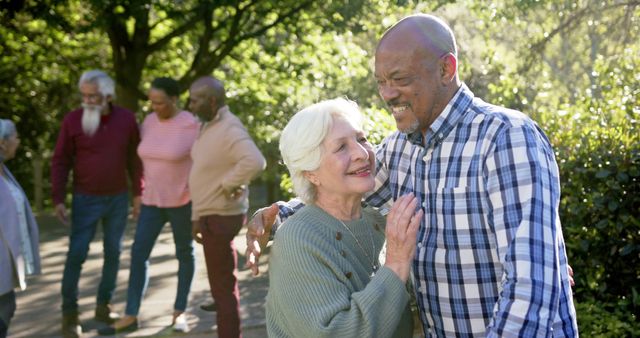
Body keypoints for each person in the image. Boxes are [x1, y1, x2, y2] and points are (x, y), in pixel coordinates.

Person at [247, 14, 579, 337]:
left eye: (400, 79)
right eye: (381, 82)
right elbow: (341, 194)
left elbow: (531, 286)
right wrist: (277, 215)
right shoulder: (400, 149)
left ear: (446, 69)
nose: (387, 93)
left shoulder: (505, 138)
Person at [266, 98, 420, 337]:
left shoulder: (378, 222)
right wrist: (397, 264)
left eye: (361, 139)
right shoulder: (297, 239)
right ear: (311, 173)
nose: (361, 153)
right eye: (341, 147)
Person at [98, 77, 199, 335]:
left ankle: (180, 313)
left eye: (160, 102)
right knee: (138, 254)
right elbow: (141, 159)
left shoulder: (191, 124)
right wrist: (138, 193)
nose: (154, 107)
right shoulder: (150, 121)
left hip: (182, 202)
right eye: (151, 102)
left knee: (184, 255)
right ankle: (131, 314)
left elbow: (203, 163)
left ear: (174, 99)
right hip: (152, 202)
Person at [51, 70, 143, 338]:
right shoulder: (73, 121)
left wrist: (138, 194)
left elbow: (134, 160)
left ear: (108, 96)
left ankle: (104, 306)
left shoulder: (126, 119)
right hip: (84, 198)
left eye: (94, 96)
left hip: (117, 198)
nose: (88, 100)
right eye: (85, 95)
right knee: (77, 254)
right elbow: (60, 160)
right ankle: (70, 315)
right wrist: (58, 198)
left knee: (113, 252)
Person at [188, 76, 266, 338]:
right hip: (210, 214)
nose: (190, 105)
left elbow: (254, 161)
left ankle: (228, 324)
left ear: (212, 101)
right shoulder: (208, 124)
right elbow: (205, 170)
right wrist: (197, 215)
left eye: (195, 100)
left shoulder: (229, 128)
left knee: (224, 288)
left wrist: (228, 183)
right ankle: (220, 298)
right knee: (221, 281)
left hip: (220, 215)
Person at [0, 119, 41, 338]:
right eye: (14, 137)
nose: (18, 141)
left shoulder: (4, 171)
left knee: (7, 307)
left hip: (5, 263)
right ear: (2, 143)